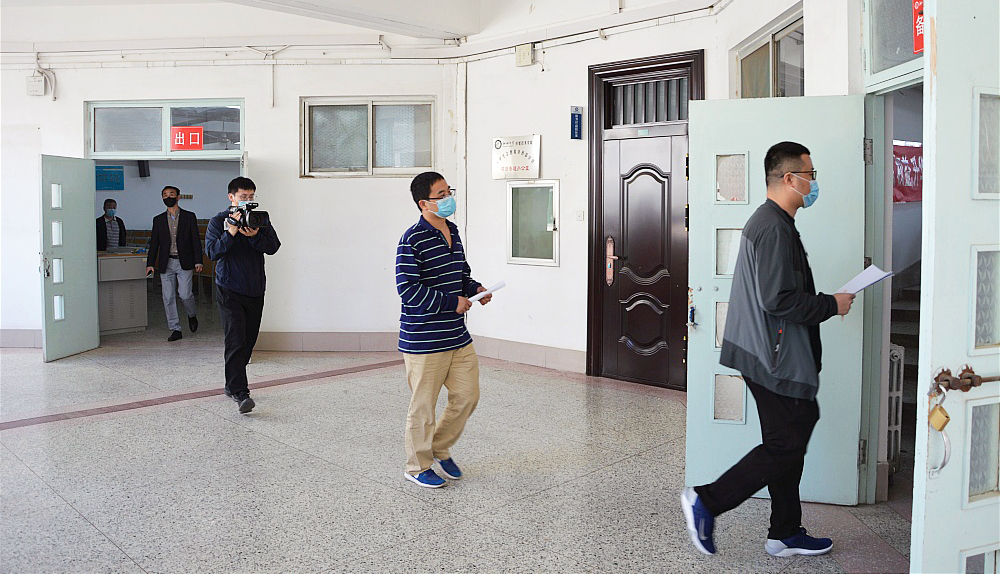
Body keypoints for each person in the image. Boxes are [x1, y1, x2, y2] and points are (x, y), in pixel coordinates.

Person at [680, 142, 856, 558]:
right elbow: (779, 299)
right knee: (785, 444)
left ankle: (784, 532)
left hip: (766, 353)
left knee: (787, 439)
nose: (814, 183)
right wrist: (831, 304)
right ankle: (707, 500)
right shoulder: (773, 227)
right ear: (790, 179)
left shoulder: (773, 222)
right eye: (810, 175)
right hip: (772, 358)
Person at [395, 172, 492, 488]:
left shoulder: (453, 231)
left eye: (449, 191)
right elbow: (408, 290)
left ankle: (438, 447)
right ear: (423, 203)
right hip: (424, 339)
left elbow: (461, 273)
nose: (449, 198)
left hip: (456, 336)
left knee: (468, 396)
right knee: (423, 407)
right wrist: (452, 302)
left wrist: (475, 288)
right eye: (441, 194)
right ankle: (417, 466)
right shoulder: (412, 240)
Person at [205, 177, 279, 414]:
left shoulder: (260, 219)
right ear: (231, 197)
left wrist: (255, 236)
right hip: (229, 289)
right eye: (243, 196)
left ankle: (232, 383)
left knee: (248, 341)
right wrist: (231, 232)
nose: (248, 200)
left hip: (255, 289)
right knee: (235, 340)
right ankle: (240, 393)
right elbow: (212, 252)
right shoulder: (218, 221)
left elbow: (274, 246)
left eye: (251, 196)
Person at [146, 186, 203, 342]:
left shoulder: (189, 217)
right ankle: (175, 328)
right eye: (165, 195)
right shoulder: (158, 220)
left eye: (171, 194)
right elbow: (154, 243)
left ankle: (192, 315)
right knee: (168, 297)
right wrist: (150, 264)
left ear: (178, 197)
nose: (168, 197)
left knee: (185, 294)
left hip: (185, 261)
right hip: (166, 262)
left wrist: (198, 260)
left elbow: (195, 240)